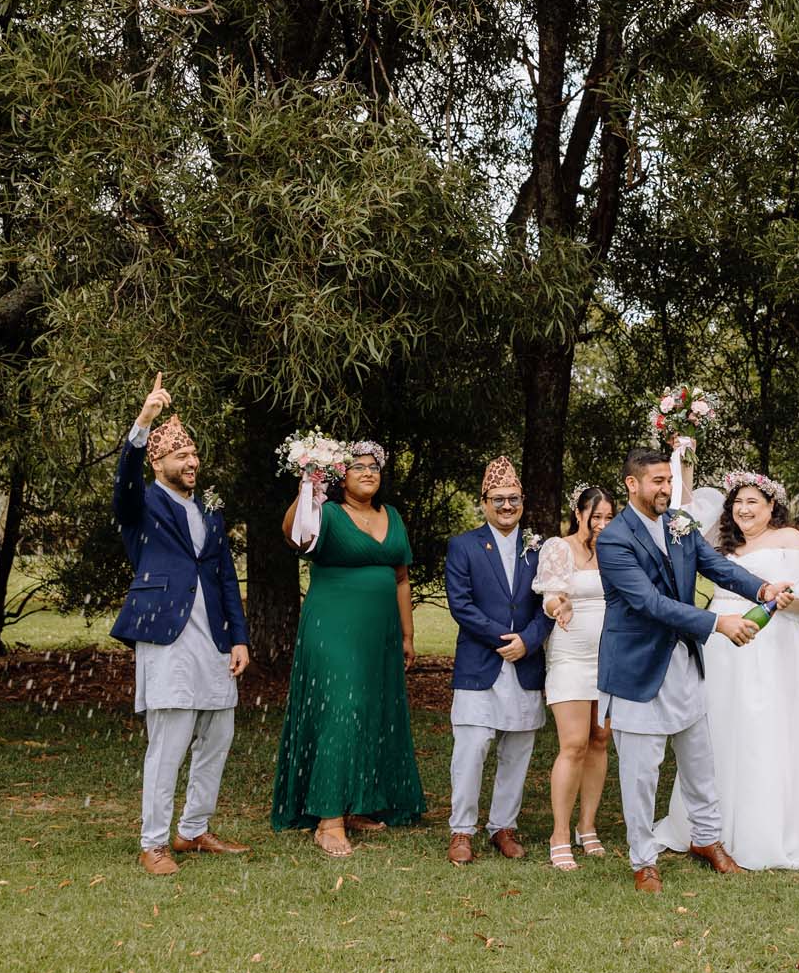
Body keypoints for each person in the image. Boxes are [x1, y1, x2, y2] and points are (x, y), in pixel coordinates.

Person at [596, 448, 794, 892]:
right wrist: (717, 623)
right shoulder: (613, 539)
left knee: (700, 760)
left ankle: (707, 841)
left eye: (669, 480)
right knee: (641, 773)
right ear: (632, 485)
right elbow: (649, 603)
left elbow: (717, 566)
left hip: (683, 662)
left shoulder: (678, 524)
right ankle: (643, 860)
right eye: (657, 482)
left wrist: (760, 586)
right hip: (637, 668)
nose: (666, 489)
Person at [653, 471, 799, 870]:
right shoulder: (719, 543)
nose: (744, 510)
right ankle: (709, 826)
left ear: (771, 507)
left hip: (774, 645)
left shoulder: (790, 540)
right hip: (721, 644)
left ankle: (767, 827)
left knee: (766, 730)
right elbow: (683, 512)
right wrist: (685, 463)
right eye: (739, 502)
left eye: (753, 502)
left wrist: (787, 599)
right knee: (717, 730)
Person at [111, 373, 250, 876]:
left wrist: (239, 637)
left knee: (218, 736)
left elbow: (225, 577)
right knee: (167, 744)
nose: (191, 463)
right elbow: (124, 482)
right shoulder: (141, 502)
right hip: (164, 636)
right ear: (159, 461)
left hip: (213, 640)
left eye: (194, 456)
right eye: (180, 457)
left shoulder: (210, 508)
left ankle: (193, 830)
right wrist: (143, 422)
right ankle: (153, 843)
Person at [271, 440, 426, 857]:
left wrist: (408, 635)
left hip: (380, 634)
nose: (367, 472)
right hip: (333, 628)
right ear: (341, 476)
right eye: (357, 467)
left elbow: (401, 578)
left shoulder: (391, 516)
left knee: (372, 712)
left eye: (374, 467)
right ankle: (328, 818)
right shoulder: (327, 513)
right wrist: (306, 485)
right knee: (341, 710)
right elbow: (292, 534)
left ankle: (357, 802)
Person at [443, 457, 551, 865]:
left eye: (514, 499)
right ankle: (461, 830)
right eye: (498, 499)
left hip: (525, 664)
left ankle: (503, 827)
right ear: (483, 502)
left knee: (518, 750)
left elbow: (551, 604)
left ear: (522, 501)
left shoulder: (540, 548)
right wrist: (502, 639)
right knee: (471, 749)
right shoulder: (464, 545)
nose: (507, 506)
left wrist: (528, 641)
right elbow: (461, 604)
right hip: (479, 663)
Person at [533, 484, 617, 871]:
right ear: (579, 513)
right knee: (573, 744)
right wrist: (558, 605)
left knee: (599, 741)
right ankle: (560, 834)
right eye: (595, 516)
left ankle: (588, 826)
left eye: (608, 518)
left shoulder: (615, 551)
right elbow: (551, 595)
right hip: (570, 658)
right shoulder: (558, 548)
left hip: (609, 659)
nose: (601, 524)